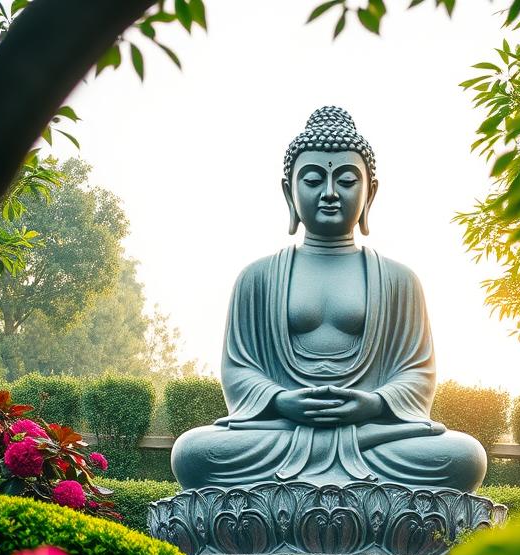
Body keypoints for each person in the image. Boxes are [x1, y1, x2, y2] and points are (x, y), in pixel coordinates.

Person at [171, 106, 486, 491]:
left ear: (371, 191)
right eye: (314, 179)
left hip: (372, 437)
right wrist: (281, 401)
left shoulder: (399, 280)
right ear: (289, 191)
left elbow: (416, 372)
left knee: (465, 457)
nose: (330, 193)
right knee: (192, 453)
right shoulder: (257, 278)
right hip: (281, 434)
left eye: (348, 180)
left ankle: (295, 492)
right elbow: (239, 370)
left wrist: (375, 404)